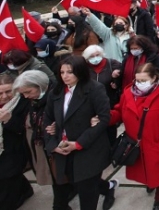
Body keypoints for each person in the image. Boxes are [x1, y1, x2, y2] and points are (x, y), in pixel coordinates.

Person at [44, 55, 114, 210]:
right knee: (65, 189)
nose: (65, 76)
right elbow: (47, 120)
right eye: (62, 72)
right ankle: (107, 187)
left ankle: (108, 189)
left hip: (88, 149)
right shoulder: (55, 92)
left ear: (80, 72)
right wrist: (52, 144)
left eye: (70, 72)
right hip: (62, 150)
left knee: (87, 193)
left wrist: (78, 144)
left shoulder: (94, 89)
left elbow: (103, 119)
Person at [110, 62, 159, 210]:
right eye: (137, 80)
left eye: (144, 80)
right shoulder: (128, 93)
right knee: (144, 169)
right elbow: (119, 112)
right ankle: (150, 182)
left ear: (154, 78)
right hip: (134, 144)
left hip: (156, 143)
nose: (139, 84)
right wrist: (105, 118)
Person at [0, 73, 33, 210]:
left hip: (16, 149)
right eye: (0, 92)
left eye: (8, 91)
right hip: (3, 149)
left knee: (7, 179)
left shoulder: (24, 102)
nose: (4, 96)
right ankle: (25, 189)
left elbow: (25, 128)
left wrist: (8, 120)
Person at [82, 45, 123, 144]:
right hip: (89, 102)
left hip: (109, 101)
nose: (95, 58)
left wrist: (116, 80)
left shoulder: (112, 64)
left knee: (109, 127)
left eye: (98, 55)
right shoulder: (84, 67)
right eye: (92, 56)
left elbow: (122, 78)